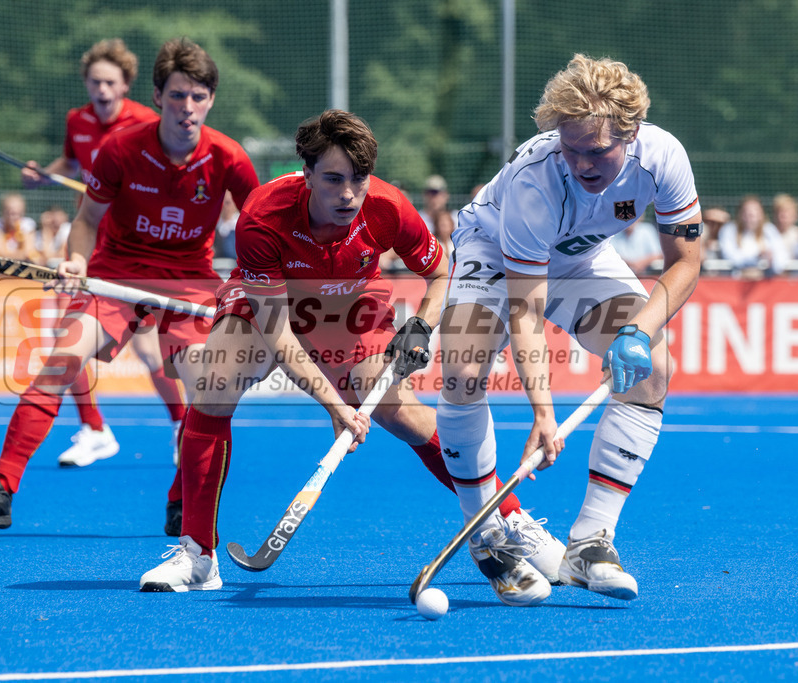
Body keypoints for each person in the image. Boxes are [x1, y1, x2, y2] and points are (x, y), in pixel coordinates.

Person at [137, 110, 563, 595]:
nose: (347, 194)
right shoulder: (263, 216)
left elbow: (443, 272)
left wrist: (421, 324)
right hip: (273, 305)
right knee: (214, 381)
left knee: (404, 417)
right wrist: (335, 406)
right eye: (333, 179)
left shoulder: (387, 207)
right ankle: (197, 554)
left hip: (352, 308)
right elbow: (279, 334)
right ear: (308, 174)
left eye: (357, 179)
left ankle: (511, 522)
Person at [0, 37, 260, 532]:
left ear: (211, 100)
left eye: (198, 97)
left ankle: (182, 499)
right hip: (115, 274)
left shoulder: (229, 157)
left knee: (206, 387)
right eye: (177, 95)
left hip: (189, 282)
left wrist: (250, 281)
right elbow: (88, 218)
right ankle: (1, 491)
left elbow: (261, 227)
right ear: (158, 96)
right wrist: (76, 259)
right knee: (59, 364)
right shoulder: (120, 148)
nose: (187, 108)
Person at [436, 54, 703, 606]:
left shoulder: (664, 157)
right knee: (463, 370)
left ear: (630, 134)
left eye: (597, 150)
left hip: (581, 259)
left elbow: (686, 263)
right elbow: (526, 313)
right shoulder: (536, 185)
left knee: (652, 369)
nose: (582, 163)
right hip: (493, 251)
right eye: (571, 148)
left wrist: (639, 330)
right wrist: (542, 412)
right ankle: (487, 534)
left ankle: (590, 542)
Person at [20, 38, 188, 470]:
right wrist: (43, 175)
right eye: (95, 81)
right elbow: (71, 164)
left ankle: (181, 424)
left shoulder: (149, 123)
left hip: (136, 250)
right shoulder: (76, 120)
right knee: (67, 337)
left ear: (126, 84)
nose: (102, 90)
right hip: (88, 243)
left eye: (110, 82)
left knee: (152, 354)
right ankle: (94, 428)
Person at [718, 195, 789, 278]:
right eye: (747, 211)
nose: (751, 215)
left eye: (755, 211)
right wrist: (756, 257)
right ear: (740, 213)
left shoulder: (769, 230)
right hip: (735, 280)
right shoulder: (729, 230)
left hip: (765, 281)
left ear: (761, 214)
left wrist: (772, 259)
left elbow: (782, 257)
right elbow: (730, 257)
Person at [771, 193, 798, 260]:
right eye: (780, 211)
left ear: (795, 215)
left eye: (787, 211)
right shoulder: (768, 234)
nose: (783, 215)